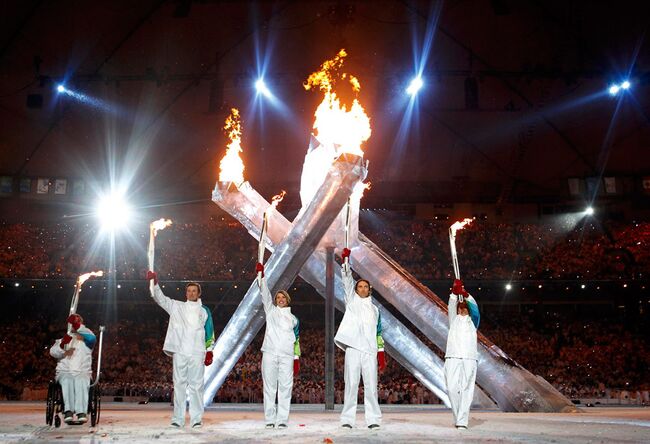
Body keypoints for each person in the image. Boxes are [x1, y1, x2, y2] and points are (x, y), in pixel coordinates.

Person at [146, 271, 215, 428]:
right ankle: (178, 419)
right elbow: (160, 299)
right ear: (186, 293)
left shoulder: (205, 311)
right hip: (180, 351)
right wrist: (154, 283)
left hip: (197, 352)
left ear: (198, 293)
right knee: (179, 385)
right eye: (189, 291)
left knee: (197, 386)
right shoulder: (177, 306)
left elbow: (209, 330)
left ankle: (196, 418)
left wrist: (209, 350)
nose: (191, 293)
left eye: (194, 291)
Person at [334, 248, 384, 430]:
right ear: (356, 290)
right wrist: (346, 263)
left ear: (369, 289)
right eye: (359, 286)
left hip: (369, 350)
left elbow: (379, 332)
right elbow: (347, 281)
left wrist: (380, 352)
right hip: (353, 348)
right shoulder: (352, 301)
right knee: (351, 384)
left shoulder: (376, 310)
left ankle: (373, 419)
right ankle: (347, 418)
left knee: (371, 386)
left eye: (365, 286)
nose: (362, 288)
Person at [255, 262, 300, 429]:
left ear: (287, 300)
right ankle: (269, 419)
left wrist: (296, 358)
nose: (280, 300)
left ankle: (282, 419)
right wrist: (262, 277)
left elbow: (297, 340)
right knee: (269, 387)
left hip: (287, 355)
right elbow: (264, 294)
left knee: (285, 388)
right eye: (278, 298)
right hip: (270, 353)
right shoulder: (271, 311)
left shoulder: (294, 319)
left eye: (283, 298)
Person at [444, 278, 480, 430]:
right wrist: (454, 292)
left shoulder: (474, 322)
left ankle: (462, 421)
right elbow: (451, 305)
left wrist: (465, 294)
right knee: (451, 388)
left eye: (465, 308)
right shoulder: (454, 320)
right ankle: (458, 416)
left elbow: (476, 309)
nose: (462, 310)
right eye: (461, 308)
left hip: (469, 357)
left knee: (467, 389)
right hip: (452, 356)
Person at [49, 313, 96, 424]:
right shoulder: (63, 340)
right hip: (65, 371)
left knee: (81, 380)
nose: (75, 325)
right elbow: (53, 352)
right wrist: (63, 348)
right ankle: (68, 411)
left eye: (78, 322)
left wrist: (77, 324)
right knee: (68, 380)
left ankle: (81, 412)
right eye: (74, 322)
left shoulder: (88, 340)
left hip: (82, 371)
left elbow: (92, 337)